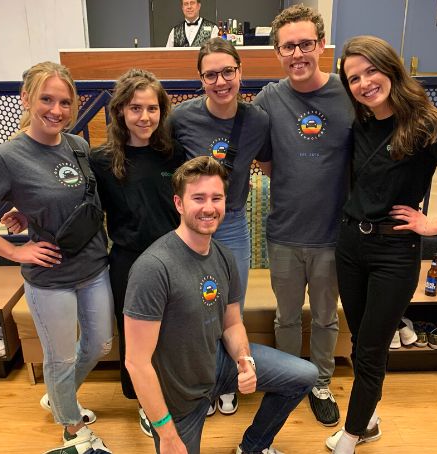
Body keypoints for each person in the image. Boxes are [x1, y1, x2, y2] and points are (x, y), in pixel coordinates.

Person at [326, 35, 437, 453]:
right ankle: (368, 418)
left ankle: (352, 435)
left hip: (395, 251)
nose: (364, 82)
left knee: (372, 347)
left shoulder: (430, 124)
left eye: (371, 70)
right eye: (354, 78)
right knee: (361, 340)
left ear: (391, 68)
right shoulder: (361, 123)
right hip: (351, 244)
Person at [0, 61, 114, 454]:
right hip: (50, 277)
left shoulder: (77, 145)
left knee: (100, 345)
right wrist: (13, 250)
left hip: (93, 266)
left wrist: (28, 212)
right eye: (46, 99)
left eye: (64, 102)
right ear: (25, 98)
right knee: (59, 358)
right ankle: (72, 429)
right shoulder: (7, 156)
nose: (56, 110)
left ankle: (59, 398)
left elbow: (78, 199)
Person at [124, 156, 318, 454]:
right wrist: (166, 431)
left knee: (304, 375)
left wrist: (244, 360)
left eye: (217, 198)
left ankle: (253, 447)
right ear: (179, 203)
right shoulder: (153, 267)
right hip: (179, 395)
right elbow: (136, 363)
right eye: (198, 198)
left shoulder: (224, 257)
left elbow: (231, 322)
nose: (209, 207)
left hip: (217, 364)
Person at [252, 4, 353, 427]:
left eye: (305, 44)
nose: (297, 54)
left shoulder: (349, 92)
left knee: (327, 316)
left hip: (334, 234)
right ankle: (291, 378)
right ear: (278, 51)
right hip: (286, 233)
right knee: (287, 316)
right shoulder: (270, 98)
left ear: (322, 46)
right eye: (288, 46)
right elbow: (266, 160)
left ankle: (320, 382)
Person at [170, 37, 270, 416]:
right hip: (190, 229)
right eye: (211, 74)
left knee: (231, 308)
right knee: (194, 308)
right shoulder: (181, 118)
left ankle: (226, 380)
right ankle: (201, 383)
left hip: (232, 225)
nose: (221, 80)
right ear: (200, 79)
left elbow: (273, 164)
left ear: (240, 72)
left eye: (228, 71)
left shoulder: (257, 120)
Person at [90, 68, 185, 438]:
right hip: (129, 260)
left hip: (173, 258)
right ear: (120, 112)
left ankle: (172, 394)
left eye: (152, 109)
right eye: (135, 109)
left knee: (174, 332)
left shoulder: (174, 154)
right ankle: (145, 403)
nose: (144, 117)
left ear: (162, 111)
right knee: (134, 338)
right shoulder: (102, 161)